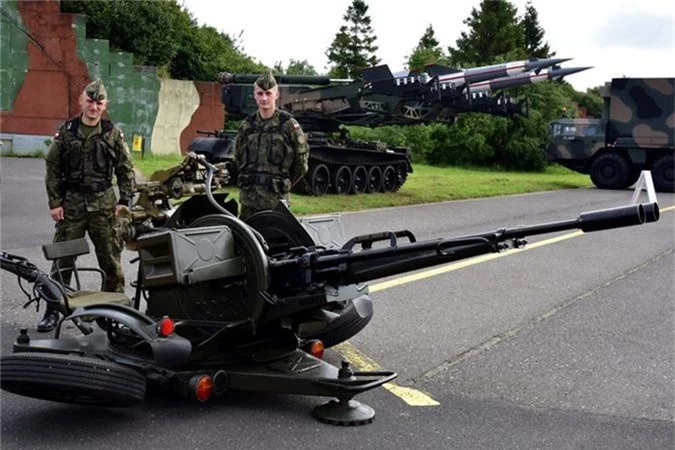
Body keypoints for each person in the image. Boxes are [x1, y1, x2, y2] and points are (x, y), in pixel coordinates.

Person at [40, 79, 135, 332]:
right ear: (82, 101)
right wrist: (55, 202)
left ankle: (114, 313)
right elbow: (53, 168)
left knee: (111, 261)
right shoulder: (67, 130)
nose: (94, 106)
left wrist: (124, 201)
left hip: (104, 205)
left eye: (99, 102)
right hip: (72, 205)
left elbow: (126, 169)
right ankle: (53, 310)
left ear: (105, 105)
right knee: (62, 259)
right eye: (90, 101)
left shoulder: (112, 132)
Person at [233, 71, 309, 220]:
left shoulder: (288, 125)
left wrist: (283, 184)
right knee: (246, 241)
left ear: (276, 94)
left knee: (277, 241)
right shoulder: (247, 126)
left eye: (268, 93)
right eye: (260, 93)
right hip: (249, 202)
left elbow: (301, 165)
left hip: (276, 202)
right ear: (254, 95)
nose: (264, 98)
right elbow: (237, 158)